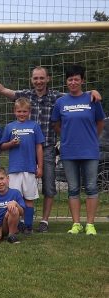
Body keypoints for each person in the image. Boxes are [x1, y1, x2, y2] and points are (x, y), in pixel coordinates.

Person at [0, 65, 101, 232]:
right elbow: (4, 90)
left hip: (47, 147)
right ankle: (21, 220)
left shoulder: (57, 97)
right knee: (20, 186)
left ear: (48, 79)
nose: (39, 81)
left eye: (42, 78)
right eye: (35, 78)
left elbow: (77, 95)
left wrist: (92, 92)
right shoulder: (25, 95)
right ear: (32, 80)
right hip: (24, 150)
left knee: (49, 185)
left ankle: (44, 220)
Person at [51, 65, 105, 235]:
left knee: (91, 187)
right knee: (73, 188)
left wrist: (90, 138)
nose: (73, 82)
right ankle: (76, 224)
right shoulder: (60, 102)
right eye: (70, 79)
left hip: (90, 151)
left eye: (76, 79)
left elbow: (100, 122)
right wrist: (67, 137)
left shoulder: (92, 99)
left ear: (82, 80)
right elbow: (56, 125)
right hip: (68, 151)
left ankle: (90, 224)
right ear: (66, 82)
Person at [0, 98, 44, 234]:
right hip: (14, 169)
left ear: (29, 112)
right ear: (14, 111)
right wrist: (11, 143)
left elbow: (39, 147)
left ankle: (28, 226)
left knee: (29, 198)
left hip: (30, 168)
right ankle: (16, 225)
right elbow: (2, 146)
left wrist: (40, 166)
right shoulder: (10, 127)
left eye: (25, 111)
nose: (22, 114)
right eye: (19, 111)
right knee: (14, 199)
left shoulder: (34, 126)